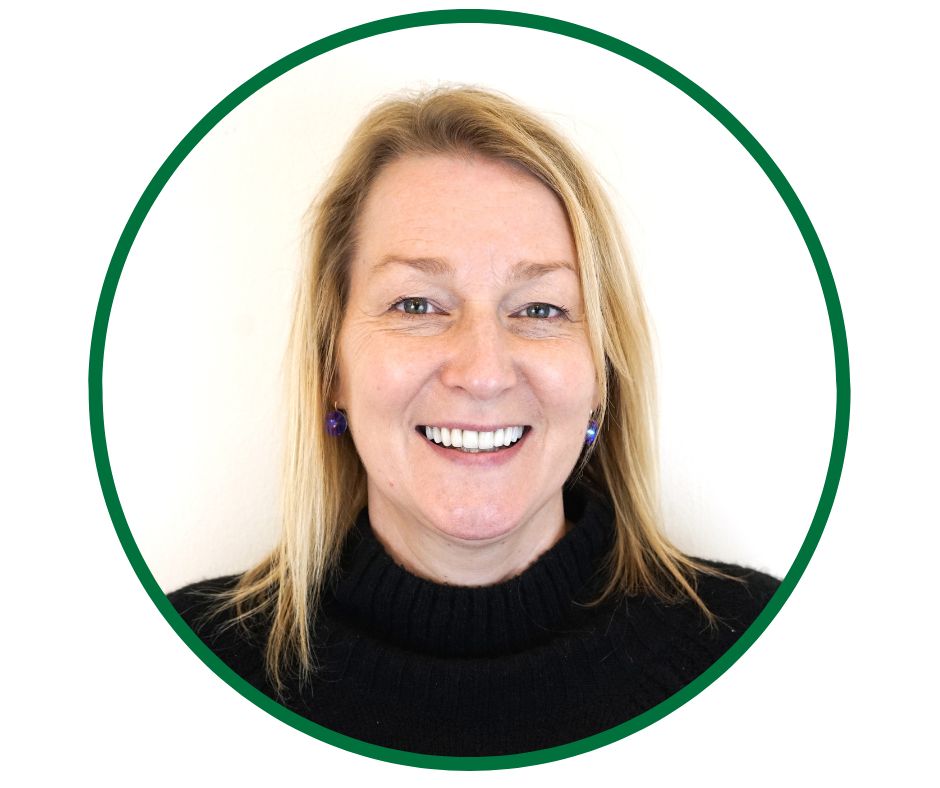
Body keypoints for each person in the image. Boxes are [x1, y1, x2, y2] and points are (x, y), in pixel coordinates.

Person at [169, 85, 780, 757]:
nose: (483, 372)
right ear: (331, 369)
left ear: (600, 380)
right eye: (416, 304)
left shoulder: (766, 646)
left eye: (540, 309)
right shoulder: (180, 664)